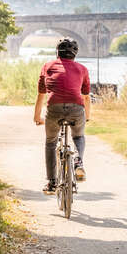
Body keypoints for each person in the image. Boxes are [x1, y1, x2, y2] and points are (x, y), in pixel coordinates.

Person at [34, 37, 91, 194]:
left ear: (57, 53)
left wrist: (37, 117)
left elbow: (41, 94)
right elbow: (86, 97)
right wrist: (86, 116)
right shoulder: (82, 69)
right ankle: (78, 162)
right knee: (78, 137)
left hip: (54, 109)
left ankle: (52, 183)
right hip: (76, 109)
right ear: (75, 54)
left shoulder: (47, 66)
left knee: (51, 142)